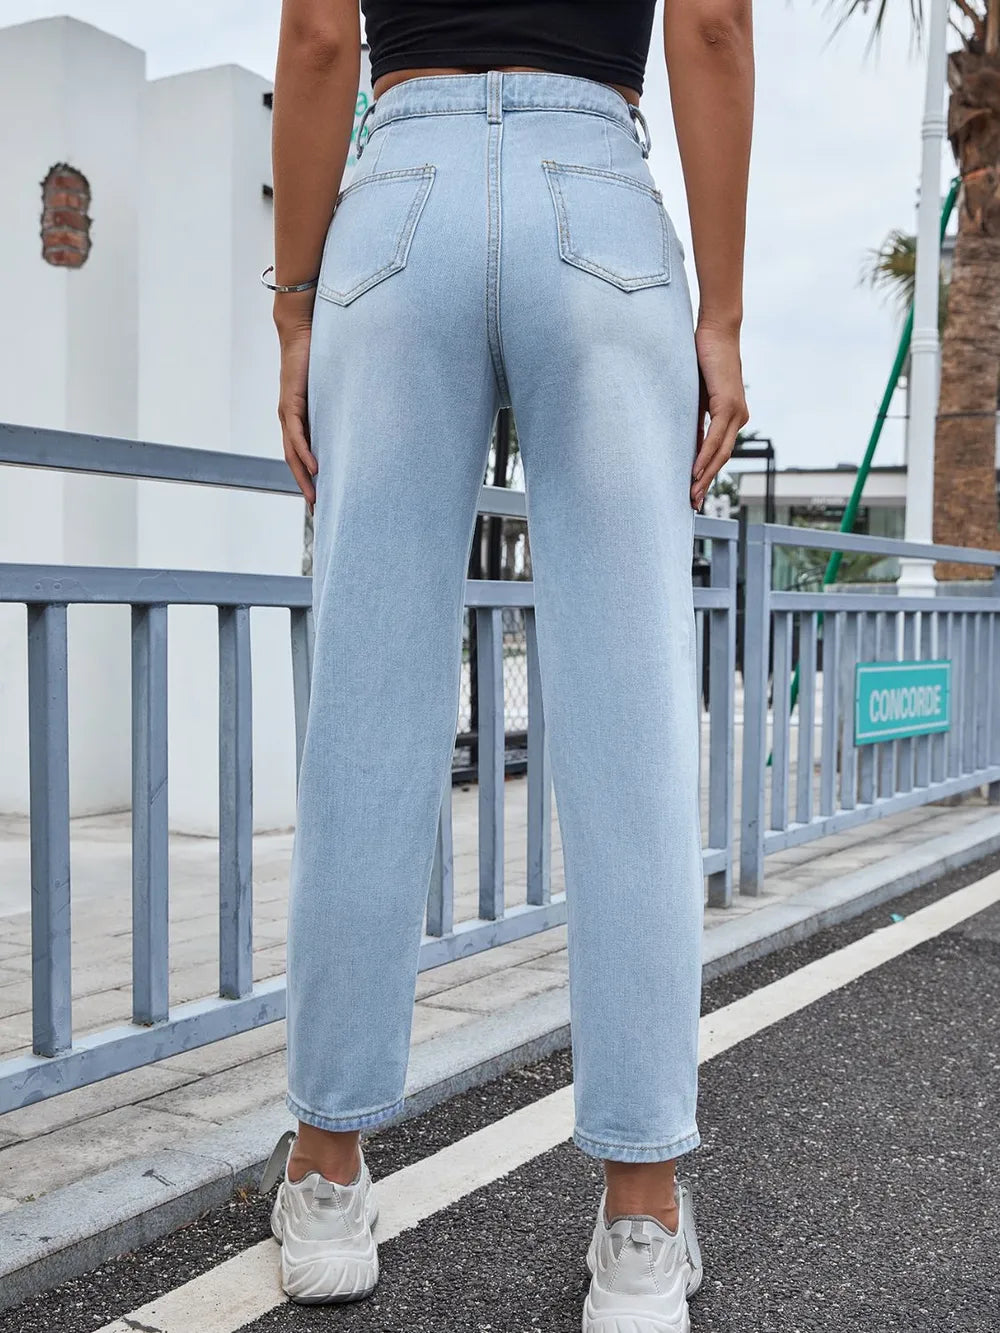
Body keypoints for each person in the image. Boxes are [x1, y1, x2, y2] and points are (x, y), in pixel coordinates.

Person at [260, 0, 752, 1327]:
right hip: (596, 188)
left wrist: (296, 311)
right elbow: (708, 23)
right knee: (633, 720)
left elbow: (314, 39)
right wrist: (723, 316)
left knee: (365, 711)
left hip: (398, 195)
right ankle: (641, 1223)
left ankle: (327, 1181)